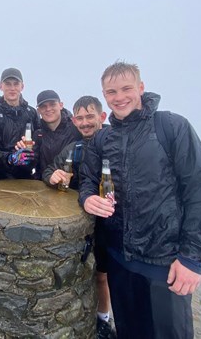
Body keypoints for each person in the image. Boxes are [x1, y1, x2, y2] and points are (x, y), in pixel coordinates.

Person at [79, 62, 201, 339]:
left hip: (164, 265)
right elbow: (87, 179)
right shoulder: (102, 139)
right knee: (129, 333)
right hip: (120, 262)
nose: (119, 97)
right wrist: (87, 199)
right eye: (111, 92)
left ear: (141, 88)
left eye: (126, 88)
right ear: (104, 96)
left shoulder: (171, 127)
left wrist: (193, 257)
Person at [42, 96, 115, 339]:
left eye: (90, 117)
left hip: (112, 222)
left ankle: (103, 321)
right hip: (82, 223)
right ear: (74, 120)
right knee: (84, 271)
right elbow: (49, 169)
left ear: (101, 117)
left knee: (104, 275)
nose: (85, 123)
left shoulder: (115, 142)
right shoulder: (74, 149)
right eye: (80, 118)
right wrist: (53, 176)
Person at [0, 68, 39, 181]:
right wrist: (10, 158)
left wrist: (32, 149)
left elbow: (41, 140)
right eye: (8, 84)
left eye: (16, 84)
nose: (12, 88)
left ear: (22, 86)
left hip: (27, 176)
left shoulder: (32, 113)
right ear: (1, 86)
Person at [32, 89, 80, 178]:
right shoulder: (37, 135)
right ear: (38, 111)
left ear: (61, 105)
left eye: (52, 104)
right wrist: (21, 156)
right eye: (43, 106)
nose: (48, 109)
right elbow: (31, 164)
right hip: (44, 185)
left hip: (72, 186)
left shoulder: (76, 129)